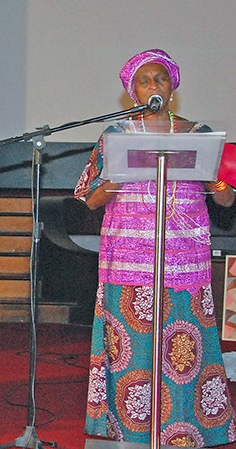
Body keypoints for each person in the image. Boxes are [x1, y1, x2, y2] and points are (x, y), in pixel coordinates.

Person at [75, 49, 236, 446]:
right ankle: (127, 428)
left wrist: (216, 179)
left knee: (184, 342)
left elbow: (227, 201)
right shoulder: (114, 136)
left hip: (184, 254)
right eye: (144, 81)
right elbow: (89, 198)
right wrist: (118, 174)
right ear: (133, 91)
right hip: (127, 256)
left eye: (160, 79)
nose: (153, 86)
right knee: (133, 343)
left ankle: (187, 428)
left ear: (172, 87)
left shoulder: (199, 134)